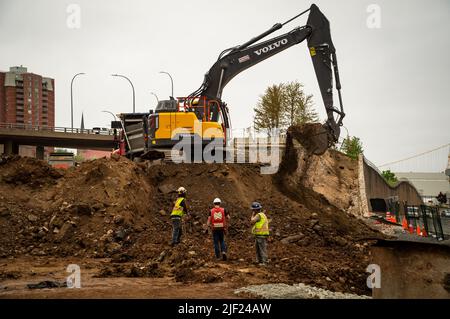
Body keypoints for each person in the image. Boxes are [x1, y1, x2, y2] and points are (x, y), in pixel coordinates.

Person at [250, 202, 270, 266]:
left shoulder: (258, 215)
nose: (252, 211)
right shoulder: (263, 215)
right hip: (260, 235)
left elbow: (252, 221)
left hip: (261, 235)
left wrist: (252, 215)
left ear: (255, 210)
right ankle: (259, 261)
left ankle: (264, 262)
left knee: (262, 249)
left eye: (253, 210)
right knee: (258, 249)